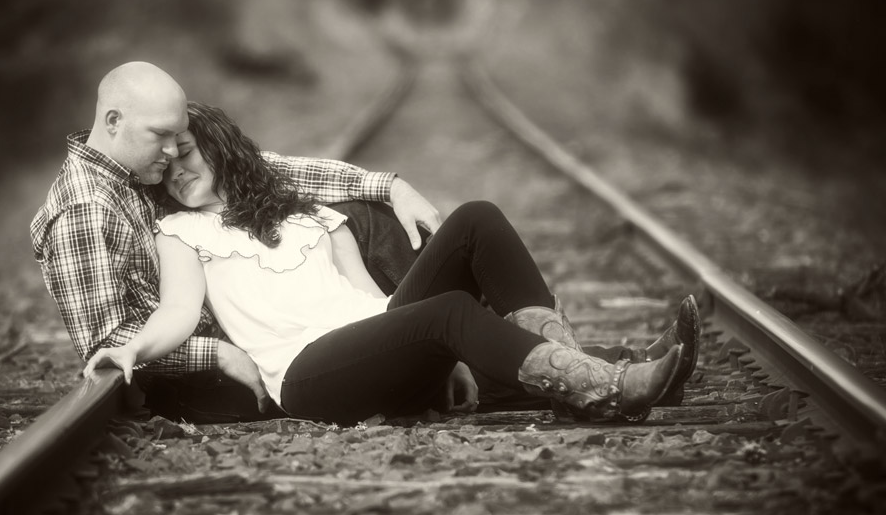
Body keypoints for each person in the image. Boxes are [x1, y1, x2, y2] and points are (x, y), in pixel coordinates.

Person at [84, 102, 700, 425]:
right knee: (451, 311)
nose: (178, 168)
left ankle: (583, 379)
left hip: (372, 340)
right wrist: (132, 350)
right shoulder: (181, 232)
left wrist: (430, 352)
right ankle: (601, 387)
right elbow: (176, 312)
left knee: (477, 217)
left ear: (224, 151)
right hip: (307, 375)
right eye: (168, 163)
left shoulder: (309, 215)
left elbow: (365, 300)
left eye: (189, 153)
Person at [30, 61, 442, 420]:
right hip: (207, 376)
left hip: (239, 324)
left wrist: (390, 187)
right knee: (357, 223)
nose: (172, 150)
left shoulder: (138, 165)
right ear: (114, 122)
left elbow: (266, 173)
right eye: (161, 135)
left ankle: (448, 338)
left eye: (178, 140)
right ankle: (447, 350)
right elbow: (107, 342)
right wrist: (216, 355)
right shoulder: (83, 210)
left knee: (356, 213)